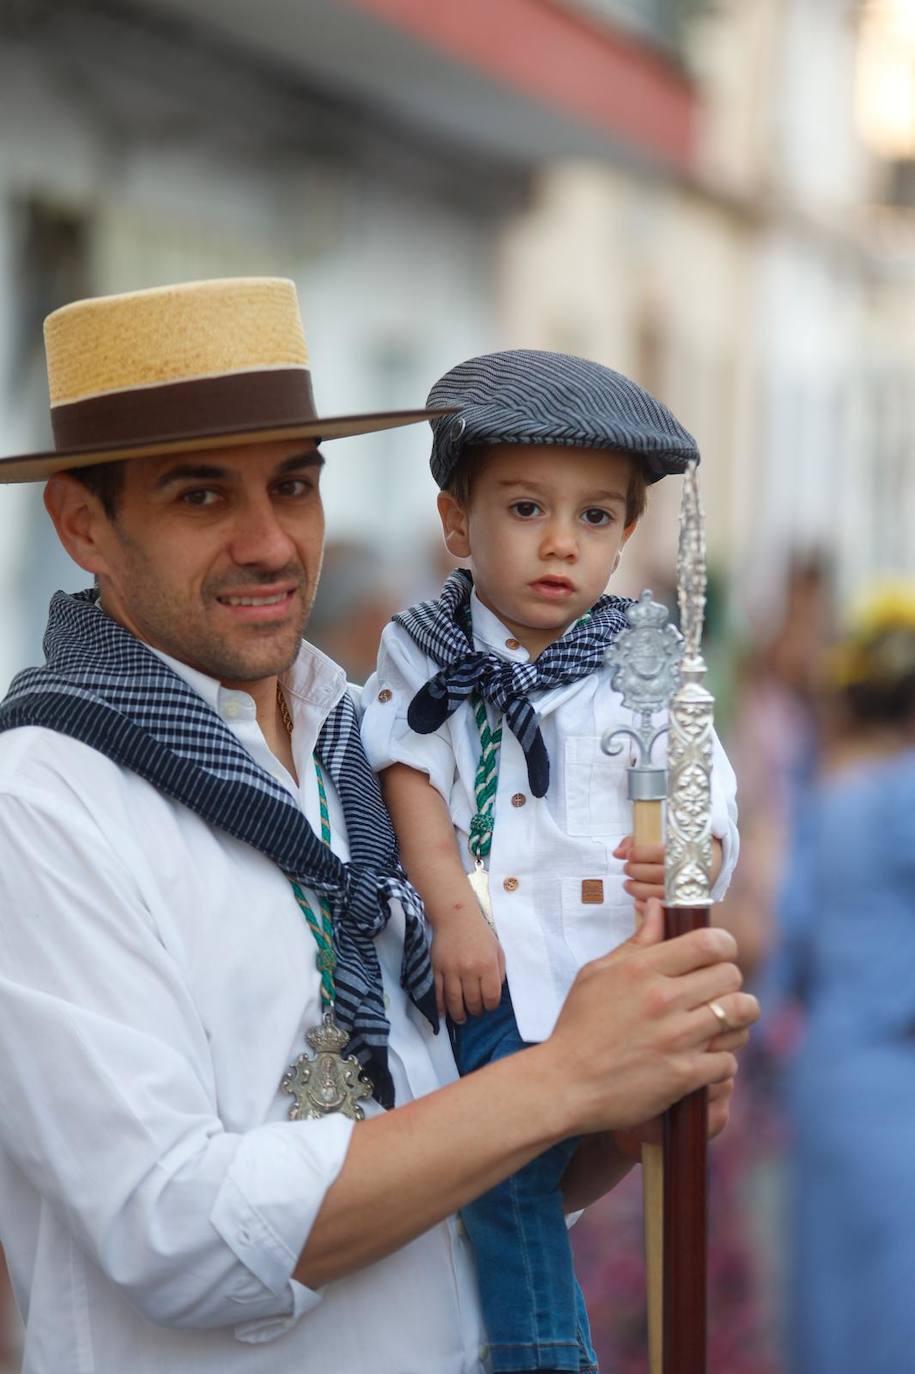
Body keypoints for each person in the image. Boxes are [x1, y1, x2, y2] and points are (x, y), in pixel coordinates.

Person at [0, 280, 758, 1374]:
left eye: (294, 485)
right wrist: (565, 1080)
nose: (271, 542)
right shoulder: (42, 804)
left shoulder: (372, 746)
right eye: (202, 497)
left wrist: (616, 1117)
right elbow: (176, 1235)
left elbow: (457, 1172)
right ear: (84, 525)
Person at [360, 350, 740, 1373]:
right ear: (458, 523)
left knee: (641, 1173)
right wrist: (454, 913)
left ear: (627, 535)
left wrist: (691, 854)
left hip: (609, 973)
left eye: (596, 518)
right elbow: (405, 775)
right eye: (526, 510)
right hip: (489, 976)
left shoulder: (643, 658)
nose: (560, 545)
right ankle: (544, 1355)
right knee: (505, 1181)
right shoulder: (420, 649)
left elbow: (704, 776)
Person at [763, 585, 915, 1374]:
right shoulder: (898, 795)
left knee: (827, 1307)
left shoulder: (835, 790)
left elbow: (788, 938)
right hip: (894, 1079)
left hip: (827, 1073)